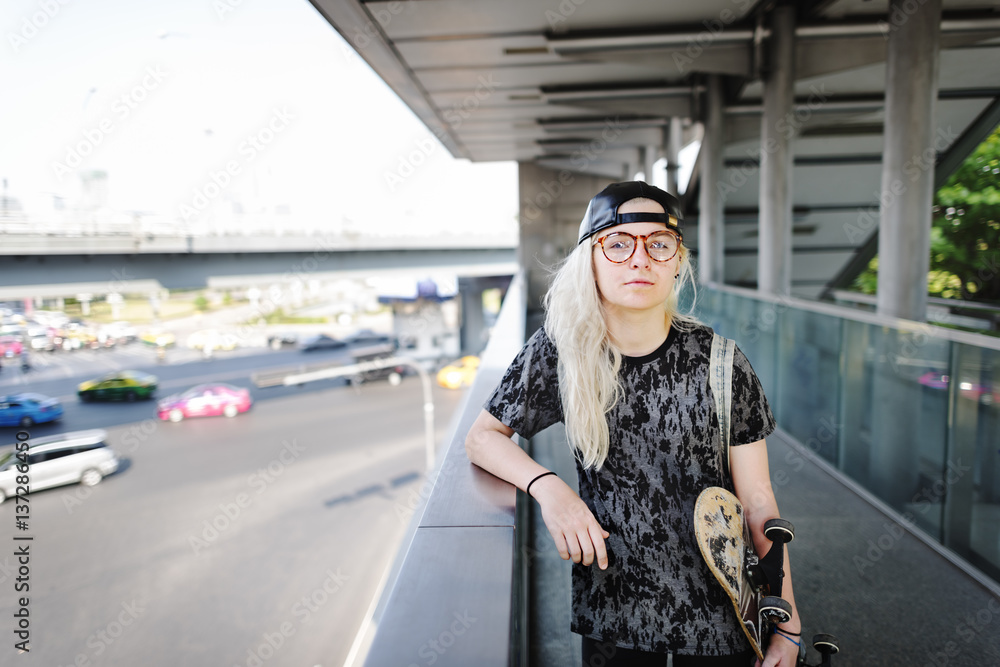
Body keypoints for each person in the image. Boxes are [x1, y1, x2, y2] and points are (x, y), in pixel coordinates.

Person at [465, 182, 801, 667]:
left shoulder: (722, 364)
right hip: (613, 608)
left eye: (658, 244)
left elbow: (759, 503)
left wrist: (788, 629)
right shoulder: (562, 353)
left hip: (721, 612)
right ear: (591, 259)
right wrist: (549, 489)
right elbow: (482, 438)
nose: (639, 259)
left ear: (677, 261)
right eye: (618, 243)